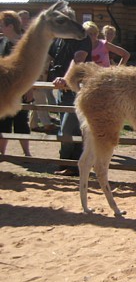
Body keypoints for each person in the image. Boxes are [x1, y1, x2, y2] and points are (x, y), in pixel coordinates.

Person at [48, 12, 92, 175]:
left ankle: (72, 166)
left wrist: (66, 78)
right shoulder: (58, 40)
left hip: (76, 90)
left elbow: (79, 59)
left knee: (68, 129)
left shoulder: (82, 37)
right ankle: (67, 165)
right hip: (62, 90)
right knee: (68, 128)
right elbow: (49, 58)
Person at [0, 10, 32, 156]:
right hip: (4, 90)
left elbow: (30, 68)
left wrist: (30, 88)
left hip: (20, 88)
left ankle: (26, 152)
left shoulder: (23, 44)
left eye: (2, 25)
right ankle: (2, 153)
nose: (0, 28)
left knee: (21, 121)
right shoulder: (2, 42)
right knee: (3, 121)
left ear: (10, 26)